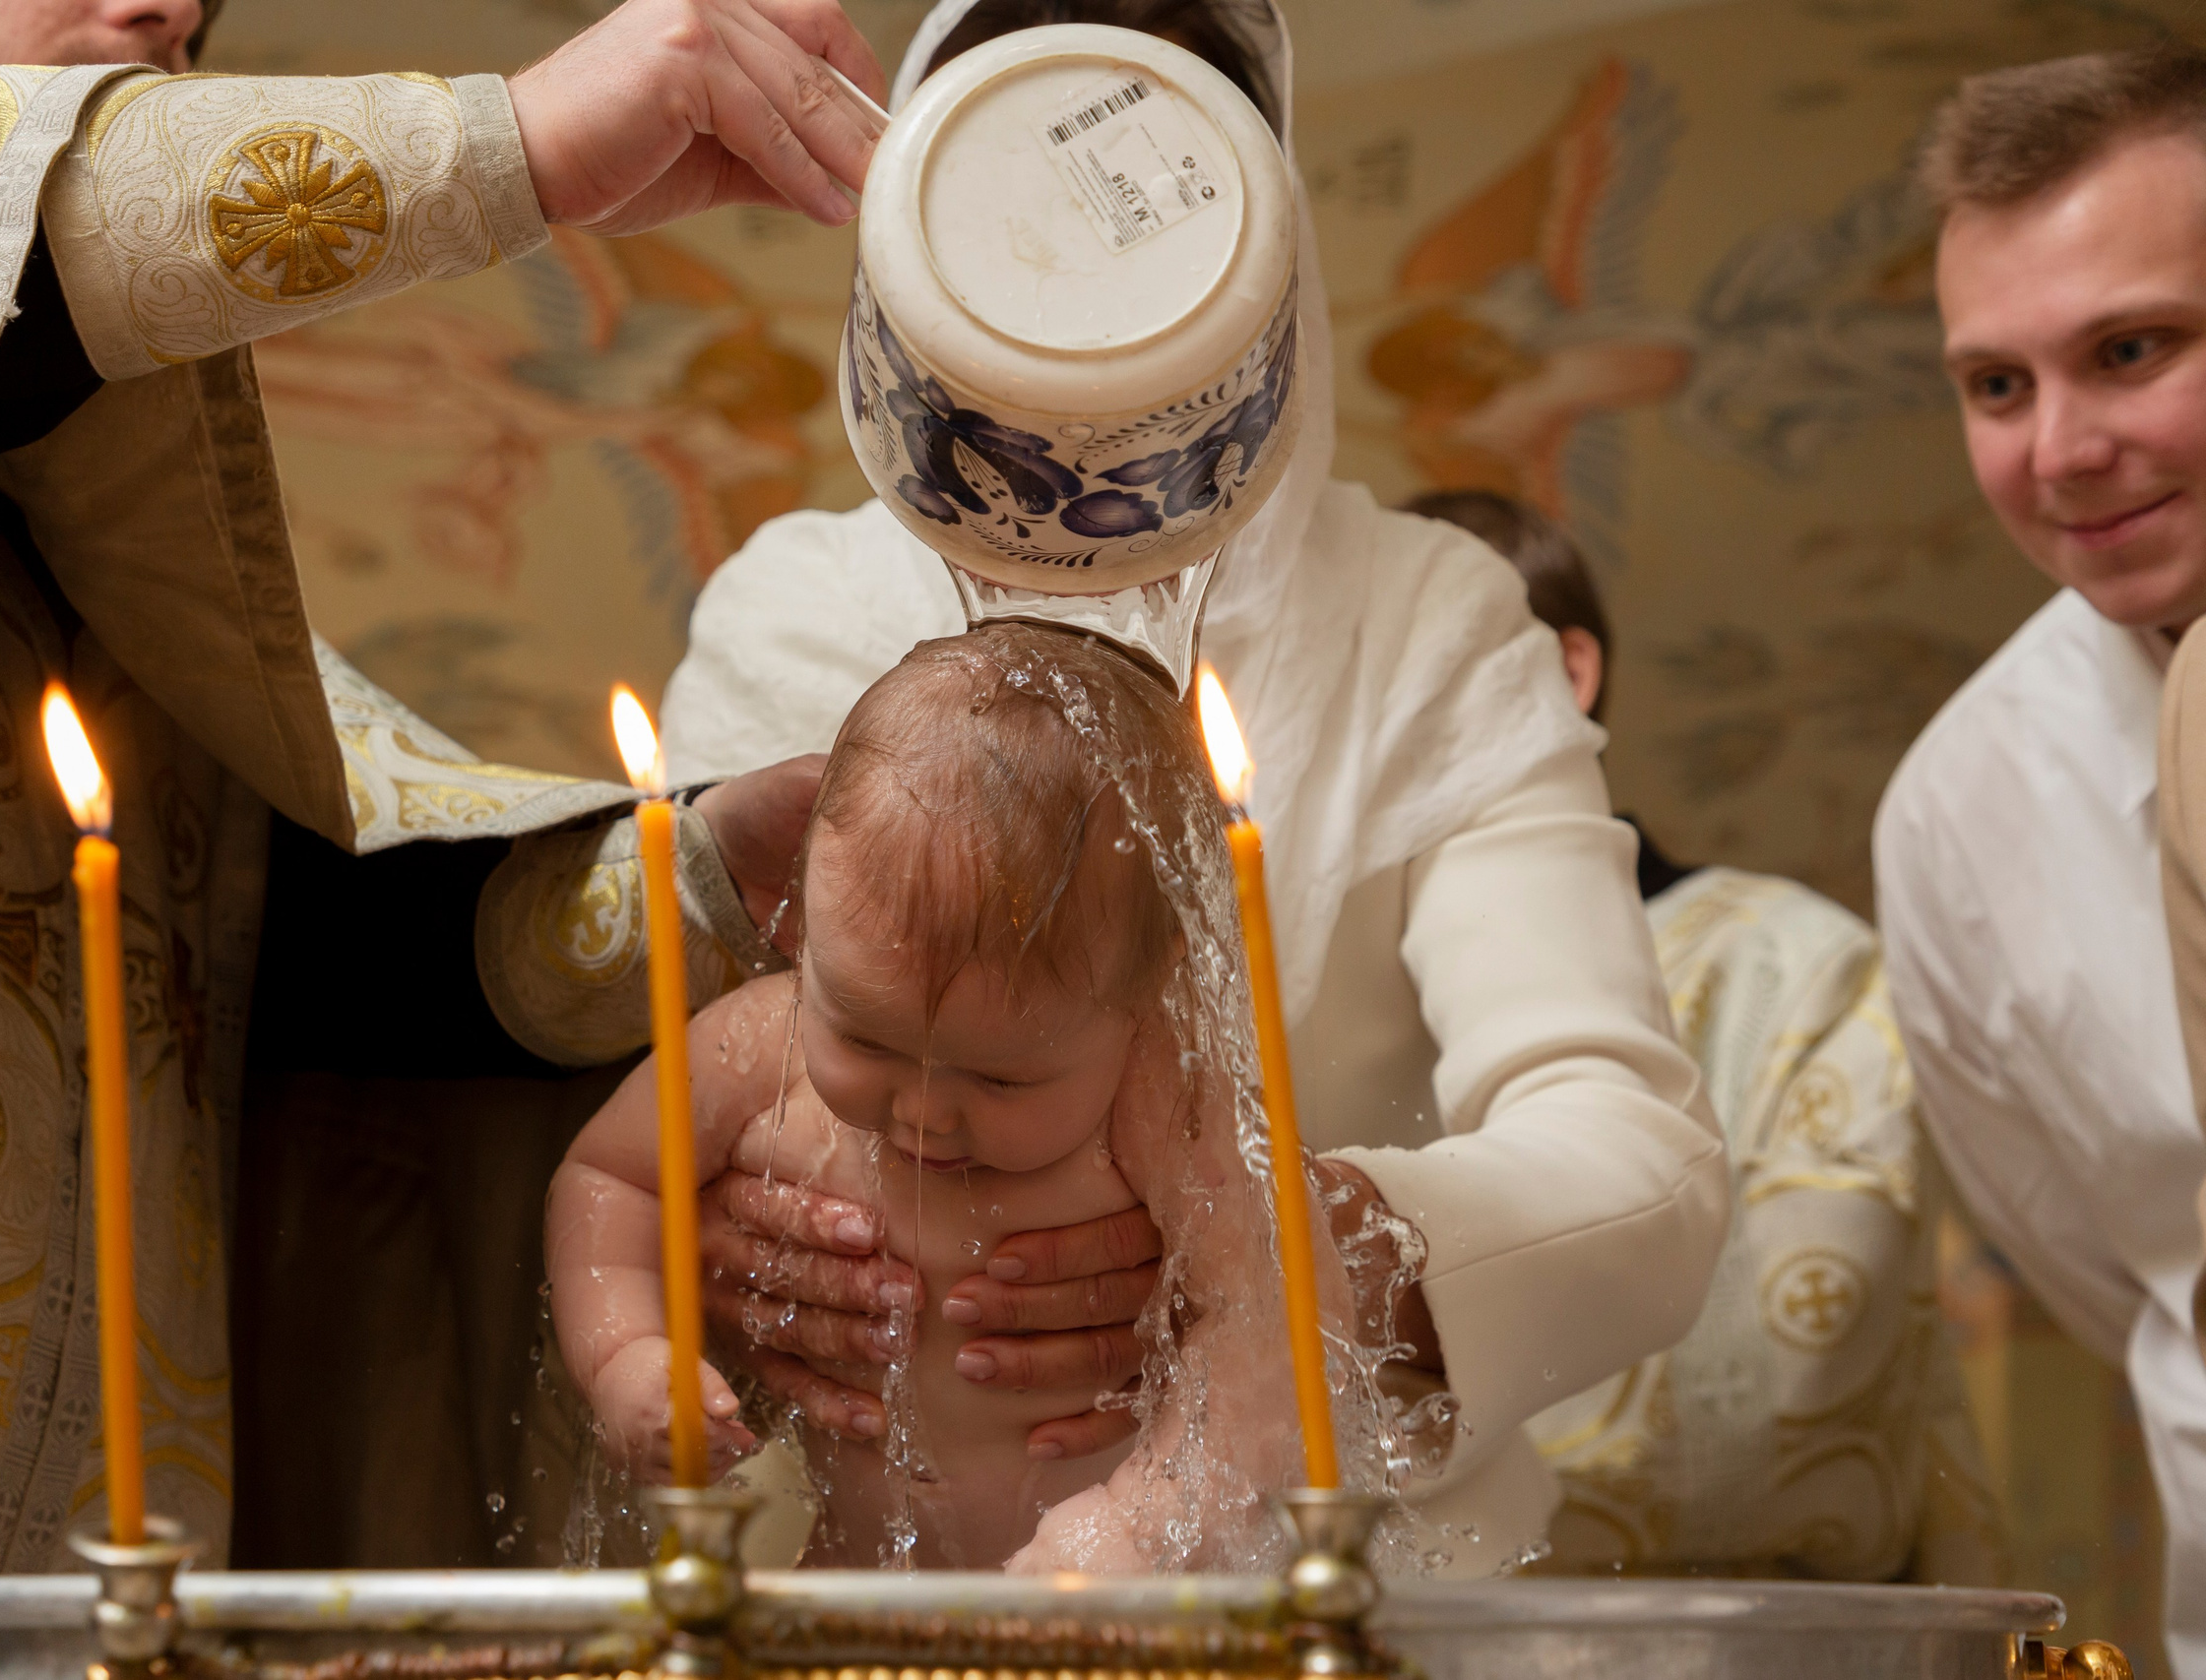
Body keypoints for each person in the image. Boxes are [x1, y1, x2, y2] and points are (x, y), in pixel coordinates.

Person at [0, 0, 886, 1633]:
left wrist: (703, 870)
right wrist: (509, 146)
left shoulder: (119, 581)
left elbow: (331, 959)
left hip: (93, 1589)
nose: (173, 14)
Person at [660, 0, 1730, 1574]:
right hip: (866, 1569)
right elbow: (662, 1100)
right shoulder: (796, 608)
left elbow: (1646, 1172)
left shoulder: (1425, 618)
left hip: (1357, 1581)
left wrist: (1299, 1246)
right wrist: (711, 1232)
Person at [557, 621, 1355, 1570]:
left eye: (1001, 1075)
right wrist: (625, 1355)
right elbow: (609, 1177)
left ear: (1145, 992)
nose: (925, 1111)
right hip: (854, 1572)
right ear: (800, 921)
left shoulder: (1156, 1093)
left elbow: (1289, 1315)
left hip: (1120, 1596)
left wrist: (1136, 1528)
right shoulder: (758, 1043)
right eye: (864, 1037)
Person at [1414, 489, 2004, 1583]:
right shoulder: (1312, 982)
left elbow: (1804, 1384)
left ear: (1566, 674)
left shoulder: (1801, 965)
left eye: (1413, 674)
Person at [1873, 43, 2206, 1671]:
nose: (2058, 450)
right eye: (1997, 386)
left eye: (2131, 350)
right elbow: (2121, 1279)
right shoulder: (1956, 821)